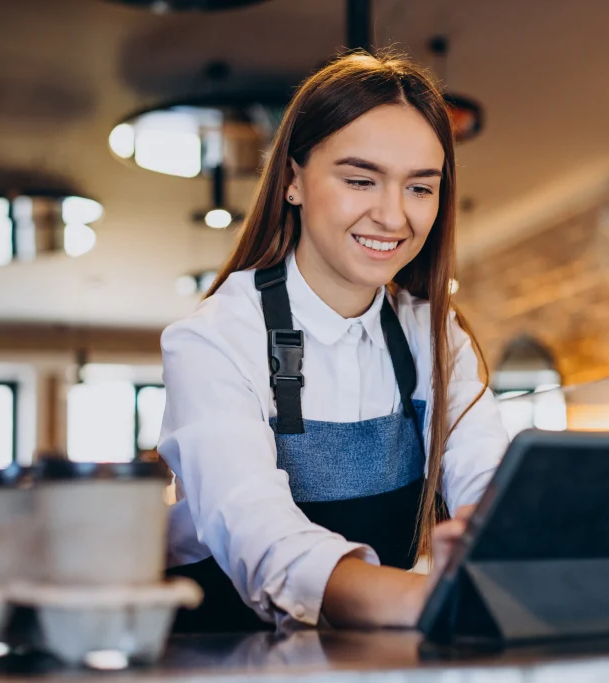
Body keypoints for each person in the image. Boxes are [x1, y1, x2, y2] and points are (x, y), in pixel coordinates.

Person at [159, 51, 509, 632]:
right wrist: (426, 601)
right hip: (223, 653)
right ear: (292, 180)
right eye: (360, 180)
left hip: (366, 652)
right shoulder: (213, 339)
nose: (393, 217)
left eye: (420, 188)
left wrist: (496, 539)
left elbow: (486, 479)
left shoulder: (435, 334)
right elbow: (261, 539)